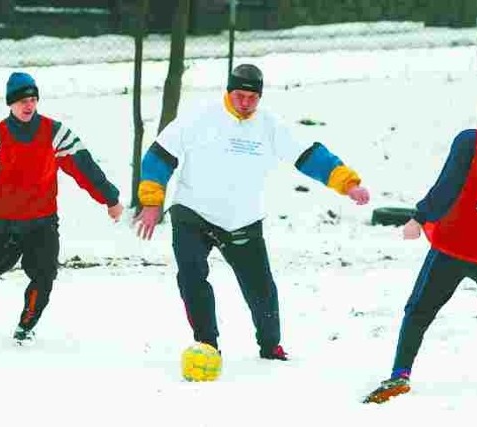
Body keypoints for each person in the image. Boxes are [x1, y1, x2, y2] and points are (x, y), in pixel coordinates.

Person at [133, 63, 370, 360]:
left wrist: (348, 184)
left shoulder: (270, 125)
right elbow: (159, 156)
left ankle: (271, 346)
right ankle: (207, 344)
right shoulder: (199, 117)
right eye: (239, 96)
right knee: (191, 278)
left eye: (252, 98)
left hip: (242, 220)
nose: (245, 103)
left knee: (261, 290)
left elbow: (309, 155)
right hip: (193, 213)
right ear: (228, 92)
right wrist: (152, 202)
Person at [363, 90, 477, 404]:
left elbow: (448, 185)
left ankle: (401, 373)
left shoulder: (471, 140)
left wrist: (419, 217)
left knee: (419, 310)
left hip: (453, 246)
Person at [0, 71, 123, 345]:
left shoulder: (55, 133)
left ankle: (26, 327)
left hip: (41, 224)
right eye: (22, 100)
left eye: (33, 100)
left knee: (45, 275)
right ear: (11, 104)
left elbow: (84, 166)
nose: (28, 105)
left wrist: (109, 198)